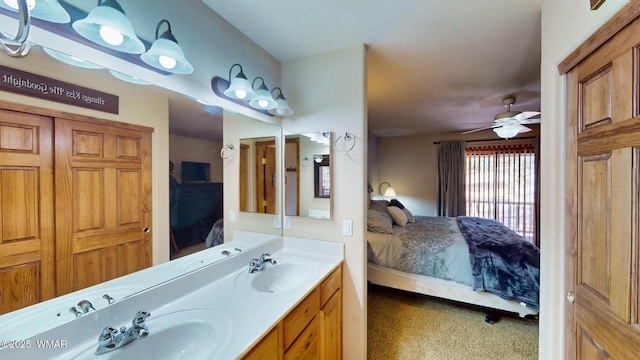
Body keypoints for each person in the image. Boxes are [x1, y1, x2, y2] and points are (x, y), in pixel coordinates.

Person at [169, 161, 180, 257]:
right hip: (171, 212)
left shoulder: (170, 182)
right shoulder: (173, 181)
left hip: (169, 212)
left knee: (167, 234)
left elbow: (170, 199)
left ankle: (169, 255)